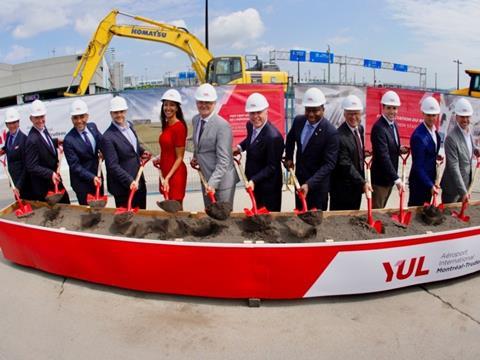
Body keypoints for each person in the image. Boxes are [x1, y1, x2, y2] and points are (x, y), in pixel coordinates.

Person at [285, 87, 339, 211]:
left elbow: (329, 165)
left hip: (317, 188)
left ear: (323, 109)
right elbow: (290, 138)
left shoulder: (330, 133)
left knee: (316, 224)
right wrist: (289, 157)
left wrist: (309, 184)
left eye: (315, 110)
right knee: (300, 216)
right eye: (308, 110)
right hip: (299, 181)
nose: (311, 114)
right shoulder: (299, 121)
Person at [233, 93, 284, 211]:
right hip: (255, 182)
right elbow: (251, 140)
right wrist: (240, 147)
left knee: (268, 218)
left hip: (269, 187)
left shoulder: (273, 137)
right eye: (252, 113)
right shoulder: (250, 125)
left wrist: (254, 180)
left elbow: (272, 167)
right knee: (257, 213)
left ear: (266, 111)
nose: (255, 116)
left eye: (259, 112)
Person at [190, 83, 239, 207]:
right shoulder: (196, 120)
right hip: (205, 178)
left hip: (222, 182)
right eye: (201, 102)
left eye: (208, 102)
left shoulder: (222, 126)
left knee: (223, 217)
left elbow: (224, 161)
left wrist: (212, 183)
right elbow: (199, 144)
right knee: (210, 215)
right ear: (196, 102)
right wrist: (196, 157)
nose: (204, 105)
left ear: (214, 103)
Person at [101, 96, 151, 209]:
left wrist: (142, 151)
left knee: (142, 215)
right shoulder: (108, 137)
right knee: (127, 222)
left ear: (126, 111)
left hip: (139, 181)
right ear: (111, 113)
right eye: (116, 112)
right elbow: (112, 166)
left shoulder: (130, 126)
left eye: (121, 111)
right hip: (123, 187)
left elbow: (134, 146)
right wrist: (129, 181)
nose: (119, 115)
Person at [330, 95, 371, 210]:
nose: (353, 117)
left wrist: (361, 154)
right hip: (342, 190)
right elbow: (345, 164)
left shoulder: (360, 129)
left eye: (356, 113)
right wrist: (363, 182)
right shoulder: (339, 136)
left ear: (361, 114)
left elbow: (354, 149)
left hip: (356, 188)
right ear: (344, 114)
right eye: (350, 114)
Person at [24, 99, 70, 203]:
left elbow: (43, 144)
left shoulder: (43, 129)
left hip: (54, 181)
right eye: (37, 117)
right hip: (44, 187)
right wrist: (50, 174)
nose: (40, 120)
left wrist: (55, 142)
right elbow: (31, 166)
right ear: (31, 118)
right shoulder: (31, 140)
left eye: (42, 116)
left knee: (65, 206)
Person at [370, 90, 407, 208]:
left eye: (395, 108)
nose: (392, 111)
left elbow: (389, 147)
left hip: (389, 179)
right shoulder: (379, 128)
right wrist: (396, 179)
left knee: (382, 210)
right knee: (377, 211)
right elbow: (383, 156)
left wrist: (398, 148)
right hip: (380, 181)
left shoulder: (393, 125)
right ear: (383, 108)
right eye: (389, 108)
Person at [63, 99, 103, 205]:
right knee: (88, 216)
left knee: (101, 213)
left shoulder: (92, 127)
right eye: (76, 118)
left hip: (98, 178)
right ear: (72, 119)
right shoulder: (69, 140)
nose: (79, 121)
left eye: (82, 116)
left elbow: (102, 142)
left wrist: (103, 152)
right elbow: (75, 166)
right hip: (82, 184)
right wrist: (92, 177)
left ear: (87, 116)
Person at [152, 89, 187, 207]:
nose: (168, 108)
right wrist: (159, 158)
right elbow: (167, 149)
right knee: (169, 208)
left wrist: (167, 178)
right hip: (165, 170)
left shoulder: (179, 128)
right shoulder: (167, 125)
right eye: (165, 104)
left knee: (176, 207)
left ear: (177, 108)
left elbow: (179, 158)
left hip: (175, 174)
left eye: (172, 105)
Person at [441, 98, 479, 204]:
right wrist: (463, 192)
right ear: (456, 117)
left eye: (467, 116)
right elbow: (454, 167)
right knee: (448, 218)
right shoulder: (451, 138)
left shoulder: (468, 130)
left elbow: (467, 147)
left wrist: (476, 150)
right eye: (462, 116)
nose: (465, 120)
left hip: (465, 185)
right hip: (452, 190)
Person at [408, 96, 442, 206]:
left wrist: (435, 157)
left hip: (429, 181)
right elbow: (418, 167)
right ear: (423, 114)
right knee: (416, 215)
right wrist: (429, 184)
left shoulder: (434, 132)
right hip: (419, 184)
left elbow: (430, 153)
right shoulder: (419, 136)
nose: (431, 118)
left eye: (434, 115)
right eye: (428, 115)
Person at [0, 108, 31, 199]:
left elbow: (26, 166)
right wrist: (3, 150)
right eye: (10, 123)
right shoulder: (9, 135)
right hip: (14, 180)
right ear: (6, 124)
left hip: (24, 184)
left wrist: (18, 186)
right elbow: (9, 147)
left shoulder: (24, 140)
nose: (12, 125)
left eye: (14, 122)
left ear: (18, 122)